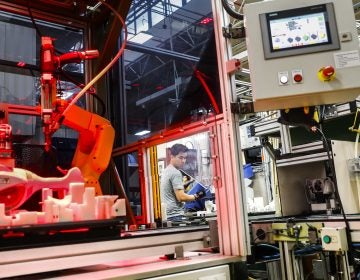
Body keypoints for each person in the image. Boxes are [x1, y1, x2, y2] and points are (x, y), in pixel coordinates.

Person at [160, 143, 205, 221]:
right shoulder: (176, 173)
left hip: (167, 216)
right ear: (172, 157)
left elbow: (172, 190)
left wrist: (187, 183)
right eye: (180, 158)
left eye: (185, 158)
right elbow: (181, 197)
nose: (183, 161)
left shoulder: (166, 171)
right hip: (176, 215)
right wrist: (197, 196)